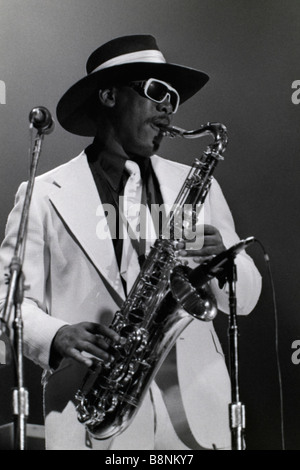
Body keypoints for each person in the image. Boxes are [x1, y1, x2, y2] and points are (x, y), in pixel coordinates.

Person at [0, 35, 261, 450]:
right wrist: (55, 335)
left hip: (197, 415)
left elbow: (245, 297)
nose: (168, 109)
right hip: (94, 418)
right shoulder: (43, 194)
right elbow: (6, 301)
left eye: (174, 99)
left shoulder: (197, 185)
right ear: (108, 95)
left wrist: (226, 264)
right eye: (157, 92)